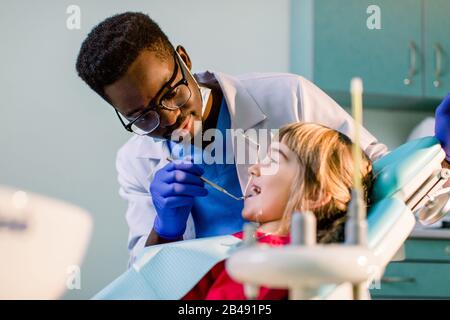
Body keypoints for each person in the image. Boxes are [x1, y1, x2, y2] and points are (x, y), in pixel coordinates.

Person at [75, 11, 389, 264]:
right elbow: (146, 282)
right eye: (143, 117)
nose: (170, 118)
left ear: (184, 59)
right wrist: (164, 228)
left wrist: (438, 157)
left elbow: (382, 171)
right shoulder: (135, 162)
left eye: (171, 93)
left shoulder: (288, 96)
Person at [182, 122, 373, 299]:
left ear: (314, 195)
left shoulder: (270, 260)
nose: (253, 169)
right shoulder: (252, 247)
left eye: (272, 160)